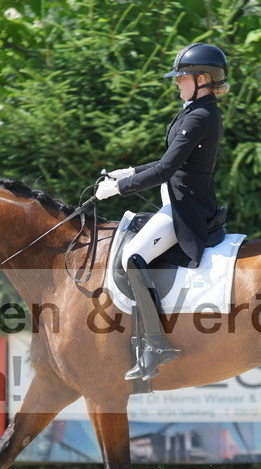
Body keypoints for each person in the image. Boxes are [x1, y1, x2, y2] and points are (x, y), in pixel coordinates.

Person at [94, 42, 229, 382]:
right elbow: (168, 160)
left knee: (134, 257)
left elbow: (167, 169)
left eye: (181, 77)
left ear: (202, 78)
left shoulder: (200, 115)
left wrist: (122, 188)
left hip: (187, 208)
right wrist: (128, 171)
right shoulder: (193, 109)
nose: (176, 82)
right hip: (176, 201)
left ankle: (155, 344)